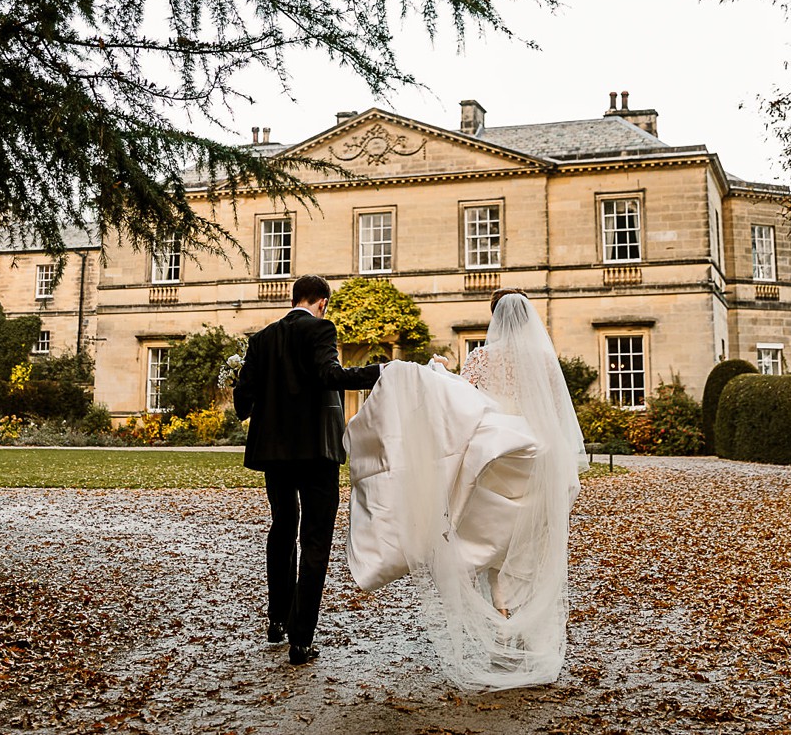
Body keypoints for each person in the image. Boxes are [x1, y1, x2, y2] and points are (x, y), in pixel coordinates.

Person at [345, 289, 582, 690]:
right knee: (525, 552)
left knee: (492, 550)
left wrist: (437, 375)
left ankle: (503, 635)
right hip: (533, 462)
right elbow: (558, 418)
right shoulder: (544, 361)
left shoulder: (481, 358)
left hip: (496, 462)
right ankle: (524, 640)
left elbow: (464, 405)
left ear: (494, 318)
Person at [234, 274, 384, 666]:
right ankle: (301, 639)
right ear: (322, 302)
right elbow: (330, 376)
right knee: (314, 541)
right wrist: (380, 371)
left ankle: (276, 620)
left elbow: (242, 402)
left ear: (294, 297)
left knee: (282, 528)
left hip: (275, 453)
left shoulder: (262, 338)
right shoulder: (321, 328)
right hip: (316, 452)